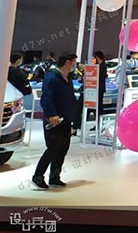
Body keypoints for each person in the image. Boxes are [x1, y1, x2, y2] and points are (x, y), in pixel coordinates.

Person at [33, 53, 78, 189]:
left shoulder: (67, 78)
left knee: (63, 148)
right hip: (54, 120)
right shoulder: (52, 77)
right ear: (68, 62)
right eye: (74, 62)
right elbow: (46, 99)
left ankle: (55, 177)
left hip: (65, 119)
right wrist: (51, 115)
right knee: (53, 148)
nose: (75, 65)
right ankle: (38, 176)